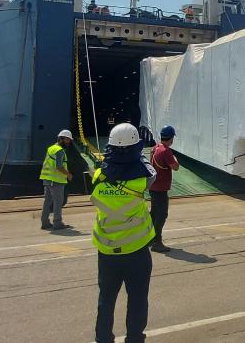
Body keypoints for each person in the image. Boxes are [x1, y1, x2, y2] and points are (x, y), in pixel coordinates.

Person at [92, 123, 157, 343]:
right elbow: (150, 170)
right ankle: (135, 339)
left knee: (106, 300)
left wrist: (109, 160)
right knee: (137, 299)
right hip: (137, 252)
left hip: (107, 252)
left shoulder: (99, 176)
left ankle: (103, 339)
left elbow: (107, 166)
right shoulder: (142, 179)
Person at [149, 125, 179, 253]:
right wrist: (175, 158)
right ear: (171, 138)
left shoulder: (155, 147)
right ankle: (157, 242)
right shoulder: (166, 151)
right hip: (160, 189)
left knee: (154, 214)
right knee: (162, 215)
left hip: (153, 186)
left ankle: (149, 238)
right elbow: (176, 167)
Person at [40, 129, 74, 230]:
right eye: (67, 140)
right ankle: (57, 223)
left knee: (47, 201)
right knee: (58, 202)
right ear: (61, 139)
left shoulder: (51, 148)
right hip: (56, 180)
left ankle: (45, 222)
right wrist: (68, 174)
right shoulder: (59, 151)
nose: (69, 142)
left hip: (47, 179)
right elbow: (59, 166)